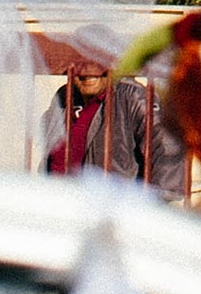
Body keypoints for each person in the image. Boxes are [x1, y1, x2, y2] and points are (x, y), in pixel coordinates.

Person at [43, 61, 189, 199]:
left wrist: (159, 201)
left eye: (96, 61)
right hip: (60, 204)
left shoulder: (132, 96)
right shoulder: (65, 96)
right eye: (81, 63)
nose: (88, 72)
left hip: (111, 208)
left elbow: (166, 144)